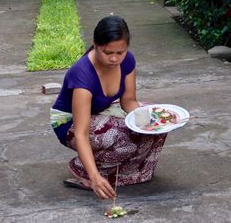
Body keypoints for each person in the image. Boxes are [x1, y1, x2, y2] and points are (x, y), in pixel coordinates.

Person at [50, 16, 167, 200]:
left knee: (155, 122)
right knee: (119, 134)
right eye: (107, 52)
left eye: (120, 52)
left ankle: (127, 172)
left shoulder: (127, 60)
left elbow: (128, 100)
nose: (114, 58)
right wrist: (95, 177)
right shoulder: (82, 75)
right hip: (70, 121)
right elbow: (81, 133)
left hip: (101, 109)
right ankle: (85, 169)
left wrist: (151, 122)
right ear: (95, 45)